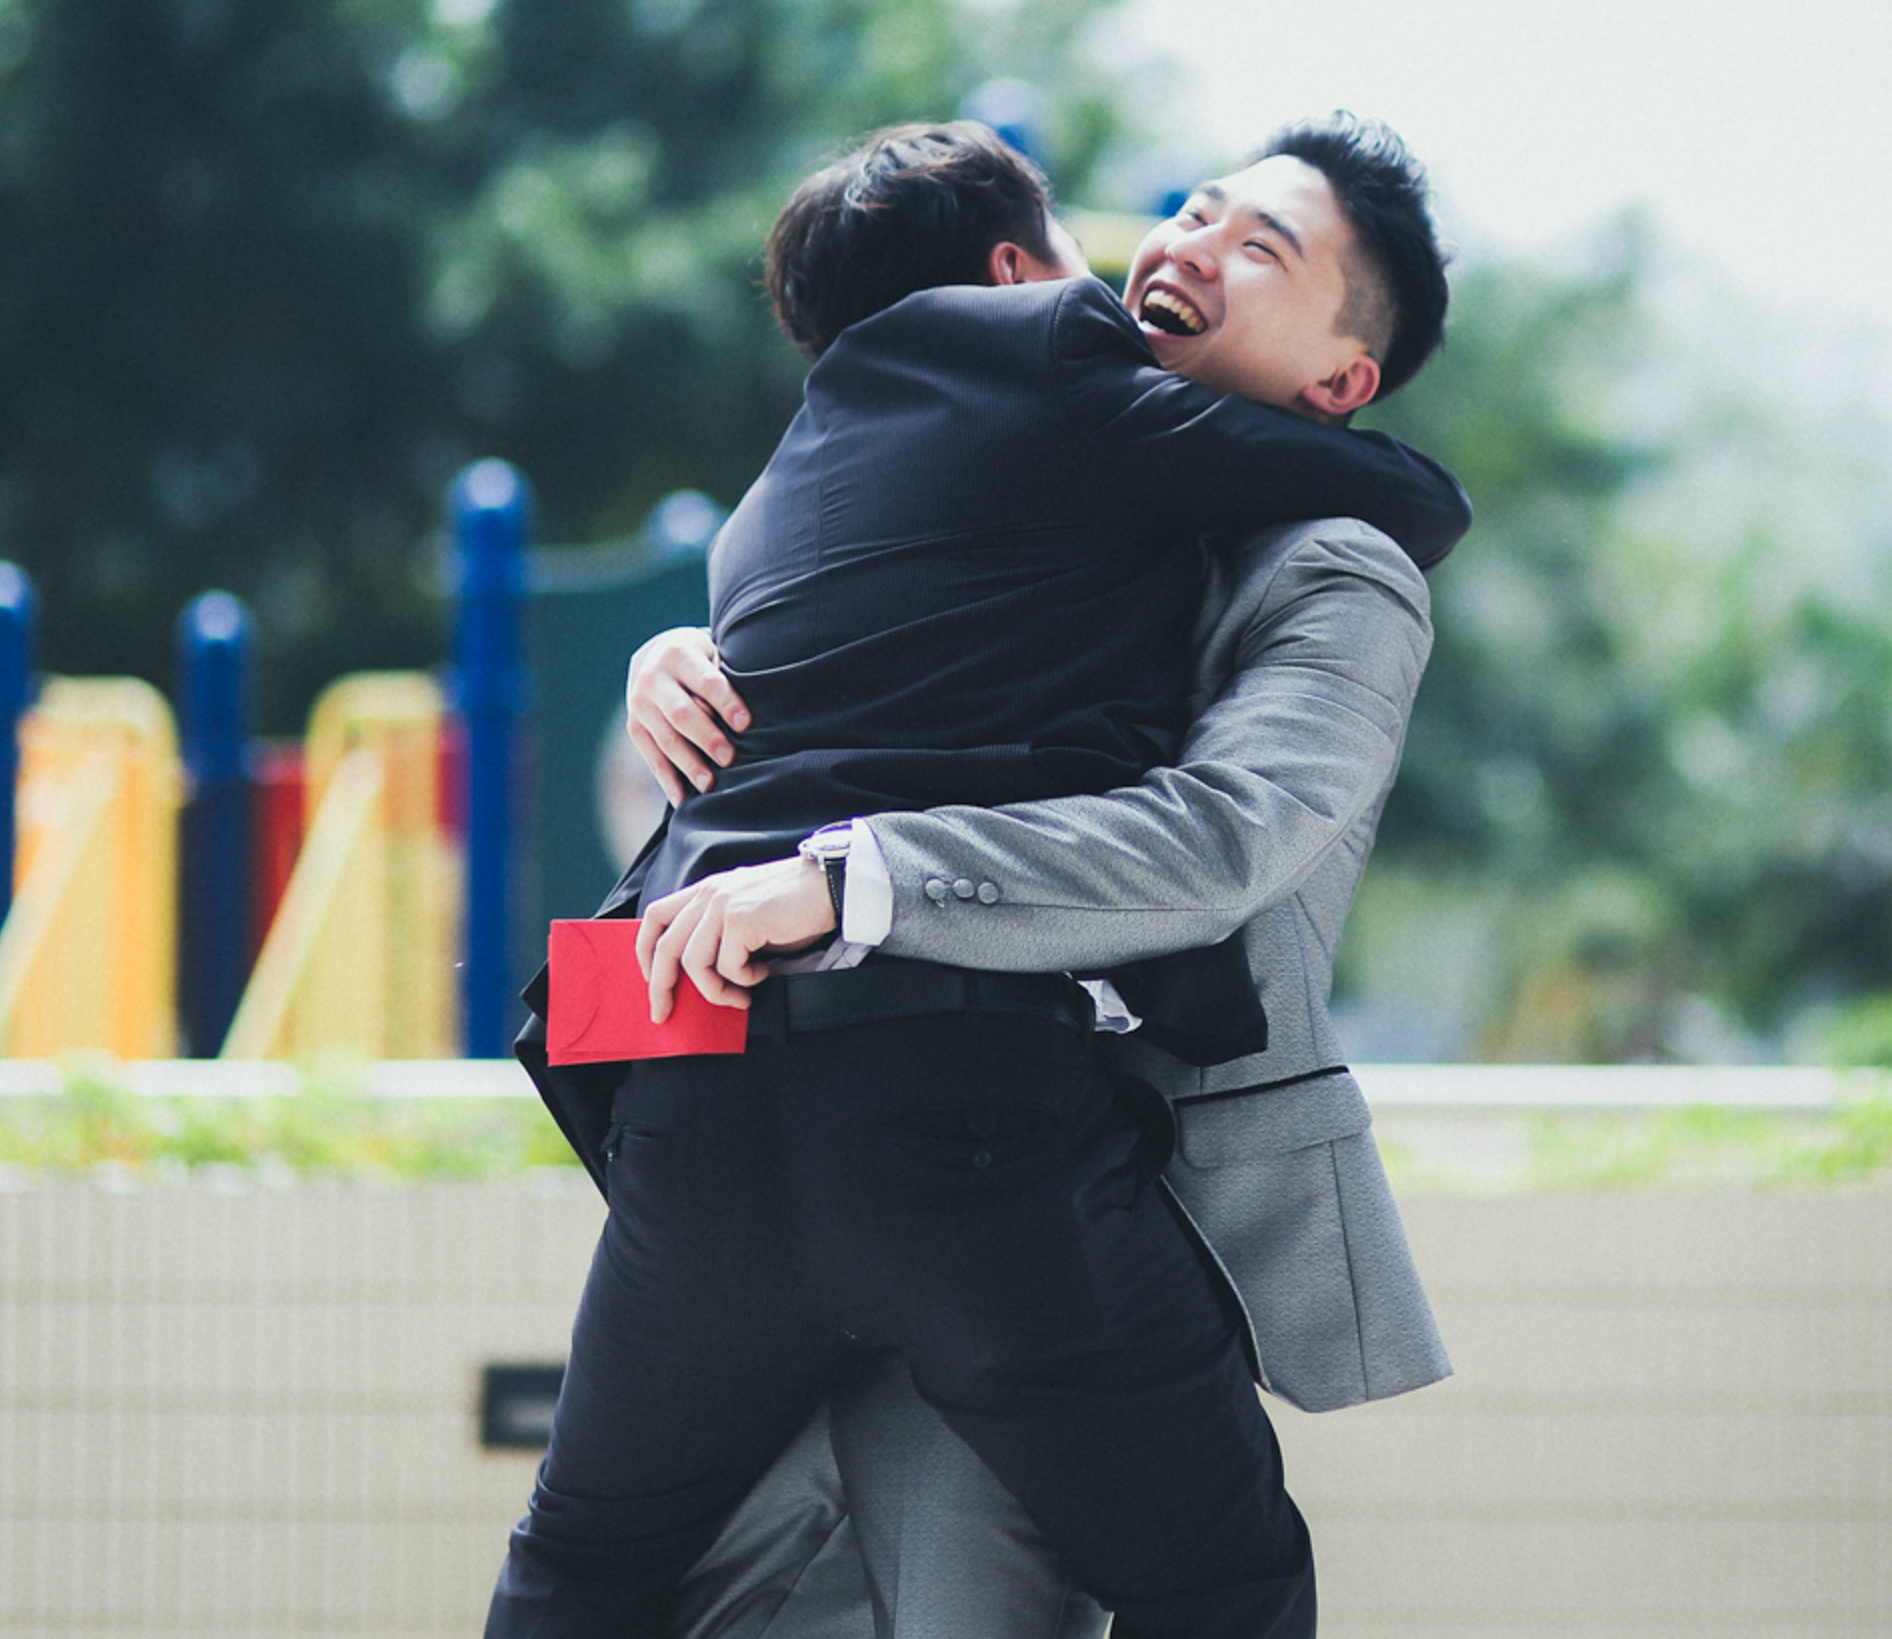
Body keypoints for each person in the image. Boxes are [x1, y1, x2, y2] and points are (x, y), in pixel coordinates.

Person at [494, 119, 1465, 1639]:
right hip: (945, 1148)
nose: (1187, 245)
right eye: (1193, 211)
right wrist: (683, 653)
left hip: (1022, 1148)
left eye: (1260, 249)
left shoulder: (1331, 568)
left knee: (623, 1575)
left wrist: (856, 876)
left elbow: (1227, 839)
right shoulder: (1014, 416)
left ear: (1344, 381)